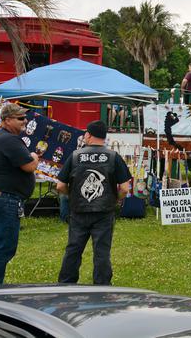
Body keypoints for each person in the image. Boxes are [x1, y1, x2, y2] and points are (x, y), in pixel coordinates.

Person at [56, 120, 132, 285]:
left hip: (78, 210)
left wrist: (72, 196)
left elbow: (60, 185)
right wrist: (115, 199)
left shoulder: (75, 156)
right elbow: (125, 188)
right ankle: (102, 286)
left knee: (73, 249)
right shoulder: (113, 156)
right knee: (101, 252)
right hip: (104, 211)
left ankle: (66, 284)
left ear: (88, 135)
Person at [0, 104, 38, 285]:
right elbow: (29, 165)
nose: (24, 121)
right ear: (7, 120)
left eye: (24, 118)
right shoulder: (9, 139)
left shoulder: (2, 137)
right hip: (4, 199)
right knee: (3, 248)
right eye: (20, 118)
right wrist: (35, 156)